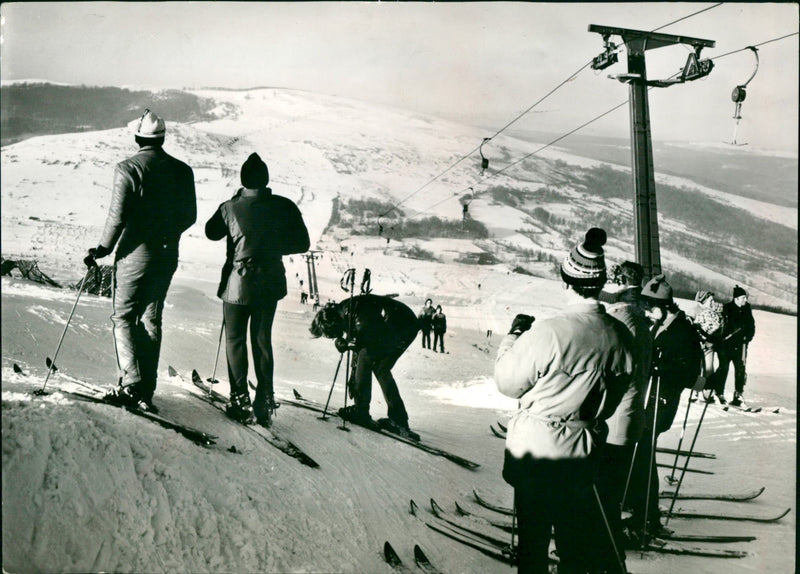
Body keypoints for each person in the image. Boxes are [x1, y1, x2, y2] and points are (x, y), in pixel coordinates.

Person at [494, 228, 633, 574]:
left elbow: (508, 383)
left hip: (536, 455)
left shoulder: (548, 332)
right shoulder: (621, 337)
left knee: (533, 543)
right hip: (583, 455)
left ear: (566, 280)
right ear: (600, 283)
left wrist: (512, 339)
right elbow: (612, 403)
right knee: (575, 543)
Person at [84, 109, 196, 412]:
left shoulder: (128, 169)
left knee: (123, 317)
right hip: (166, 253)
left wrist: (102, 250)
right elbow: (190, 216)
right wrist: (166, 234)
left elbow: (117, 216)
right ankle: (146, 388)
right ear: (162, 137)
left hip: (134, 252)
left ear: (137, 137)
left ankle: (131, 383)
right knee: (151, 317)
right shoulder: (183, 171)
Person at [205, 152, 310, 426]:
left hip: (237, 284)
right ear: (266, 180)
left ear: (243, 180)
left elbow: (211, 232)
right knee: (262, 340)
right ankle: (264, 401)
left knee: (235, 341)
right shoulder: (284, 206)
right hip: (270, 282)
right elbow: (302, 243)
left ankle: (239, 399)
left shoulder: (229, 207)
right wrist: (273, 248)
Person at [625, 274, 703, 544]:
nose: (647, 311)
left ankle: (647, 517)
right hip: (647, 399)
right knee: (640, 452)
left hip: (662, 403)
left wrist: (660, 369)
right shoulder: (658, 323)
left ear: (666, 305)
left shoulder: (683, 331)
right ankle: (635, 505)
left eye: (651, 306)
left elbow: (691, 371)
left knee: (644, 454)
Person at [594, 261, 652, 572]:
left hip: (616, 419)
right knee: (610, 495)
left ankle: (610, 561)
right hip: (628, 417)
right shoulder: (639, 316)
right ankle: (610, 557)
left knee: (604, 498)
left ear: (619, 283)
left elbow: (614, 370)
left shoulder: (624, 318)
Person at [310, 294, 420, 439]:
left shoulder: (351, 313)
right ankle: (398, 419)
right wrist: (348, 342)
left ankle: (361, 411)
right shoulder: (344, 311)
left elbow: (368, 337)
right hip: (402, 323)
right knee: (381, 368)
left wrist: (350, 343)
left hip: (399, 324)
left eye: (329, 335)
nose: (332, 337)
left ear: (332, 324)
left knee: (367, 358)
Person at [711, 285, 756, 407]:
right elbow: (719, 327)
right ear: (736, 298)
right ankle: (719, 393)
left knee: (740, 370)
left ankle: (738, 395)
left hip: (741, 346)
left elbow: (751, 325)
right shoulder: (726, 308)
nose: (745, 300)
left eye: (745, 298)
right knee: (723, 368)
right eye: (743, 298)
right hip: (725, 346)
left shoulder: (747, 309)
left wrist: (748, 337)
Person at [692, 290, 726, 403]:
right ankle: (695, 392)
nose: (712, 302)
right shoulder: (694, 310)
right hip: (697, 344)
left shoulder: (714, 313)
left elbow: (719, 329)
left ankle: (707, 393)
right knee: (697, 367)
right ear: (703, 300)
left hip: (709, 345)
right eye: (710, 300)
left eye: (713, 300)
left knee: (709, 369)